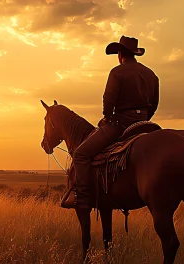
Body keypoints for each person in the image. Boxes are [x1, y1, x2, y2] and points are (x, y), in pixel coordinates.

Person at [61, 36, 159, 209]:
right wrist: (143, 119)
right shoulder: (151, 74)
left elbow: (109, 99)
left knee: (80, 154)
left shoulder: (117, 72)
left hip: (120, 123)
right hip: (143, 123)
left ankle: (82, 198)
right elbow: (155, 103)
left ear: (120, 54)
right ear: (134, 53)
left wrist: (107, 117)